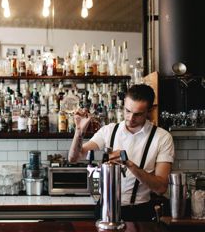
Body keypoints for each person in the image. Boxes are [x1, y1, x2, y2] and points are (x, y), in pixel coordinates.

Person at [68, 84, 174, 221]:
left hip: (139, 212)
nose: (130, 118)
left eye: (138, 114)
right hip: (105, 209)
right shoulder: (109, 131)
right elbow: (74, 158)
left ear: (149, 111)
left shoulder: (162, 138)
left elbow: (161, 187)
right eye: (128, 111)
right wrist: (79, 132)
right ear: (123, 105)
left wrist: (129, 164)